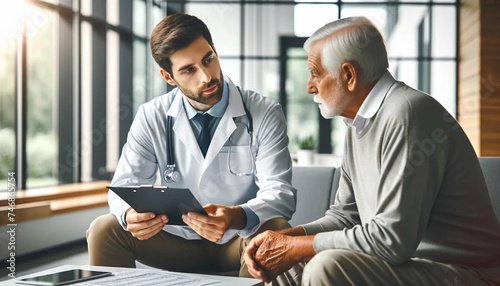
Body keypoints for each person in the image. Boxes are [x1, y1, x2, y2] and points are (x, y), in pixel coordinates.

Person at [244, 16, 500, 285]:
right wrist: (287, 241)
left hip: (465, 273)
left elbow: (392, 240)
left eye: (315, 73)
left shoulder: (408, 114)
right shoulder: (357, 125)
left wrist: (298, 247)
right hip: (408, 267)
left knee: (326, 266)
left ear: (349, 75)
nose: (309, 86)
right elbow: (345, 216)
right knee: (286, 264)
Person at [86, 13, 296, 277]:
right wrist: (129, 216)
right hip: (177, 242)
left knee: (276, 227)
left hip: (238, 241)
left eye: (208, 59)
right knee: (104, 229)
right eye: (189, 69)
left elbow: (281, 193)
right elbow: (123, 187)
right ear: (168, 76)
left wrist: (236, 217)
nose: (207, 77)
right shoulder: (152, 116)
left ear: (215, 51)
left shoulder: (263, 112)